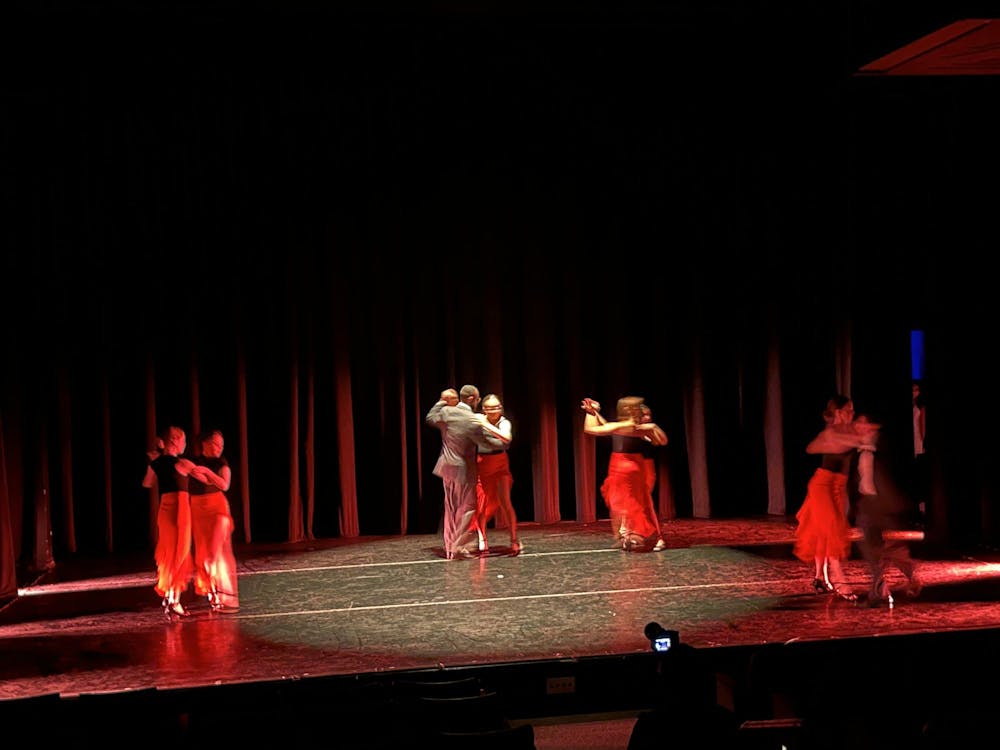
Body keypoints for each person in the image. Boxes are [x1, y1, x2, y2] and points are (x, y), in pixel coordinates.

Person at [792, 395, 868, 601]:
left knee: (824, 532)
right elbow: (811, 448)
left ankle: (819, 578)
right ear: (838, 413)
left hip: (838, 488)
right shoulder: (831, 433)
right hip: (822, 486)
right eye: (849, 410)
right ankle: (840, 580)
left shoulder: (849, 432)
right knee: (832, 530)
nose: (852, 414)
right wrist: (849, 441)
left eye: (853, 410)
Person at [426, 384, 509, 559]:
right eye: (478, 399)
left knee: (451, 508)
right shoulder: (471, 419)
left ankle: (450, 548)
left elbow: (430, 417)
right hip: (463, 470)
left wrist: (441, 401)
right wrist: (503, 442)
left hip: (447, 467)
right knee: (468, 508)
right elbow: (488, 443)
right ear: (473, 399)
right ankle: (457, 546)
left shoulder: (447, 412)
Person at [853, 413, 922, 608]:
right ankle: (880, 591)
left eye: (862, 422)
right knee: (873, 549)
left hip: (882, 505)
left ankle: (905, 577)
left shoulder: (880, 447)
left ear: (872, 426)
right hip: (868, 504)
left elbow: (890, 475)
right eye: (857, 422)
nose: (858, 425)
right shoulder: (858, 449)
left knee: (888, 548)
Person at [582, 396, 668, 551]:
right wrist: (594, 412)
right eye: (644, 414)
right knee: (626, 504)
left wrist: (590, 413)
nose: (646, 417)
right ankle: (628, 534)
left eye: (648, 415)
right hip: (624, 466)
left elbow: (593, 429)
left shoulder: (638, 428)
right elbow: (609, 426)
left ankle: (652, 536)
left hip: (636, 468)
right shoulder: (631, 427)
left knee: (640, 504)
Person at [143, 425, 196, 619]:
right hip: (180, 508)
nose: (185, 445)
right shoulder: (182, 463)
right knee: (180, 552)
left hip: (165, 508)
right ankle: (174, 600)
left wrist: (156, 462)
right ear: (174, 441)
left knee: (168, 552)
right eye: (183, 441)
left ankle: (170, 596)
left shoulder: (156, 463)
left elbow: (147, 483)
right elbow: (203, 476)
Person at [189, 429, 240, 613]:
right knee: (204, 556)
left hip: (218, 509)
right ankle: (215, 594)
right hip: (198, 510)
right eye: (216, 444)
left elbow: (224, 485)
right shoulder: (193, 461)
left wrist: (206, 472)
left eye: (221, 445)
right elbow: (185, 469)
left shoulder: (221, 463)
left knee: (218, 553)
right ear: (205, 443)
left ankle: (229, 598)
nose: (219, 448)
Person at [474, 394, 520, 554]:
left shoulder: (504, 422)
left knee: (506, 502)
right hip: (482, 465)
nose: (495, 410)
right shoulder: (477, 419)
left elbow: (506, 438)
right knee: (481, 504)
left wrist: (484, 425)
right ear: (484, 409)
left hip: (500, 464)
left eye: (497, 407)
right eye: (491, 408)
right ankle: (482, 537)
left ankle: (514, 539)